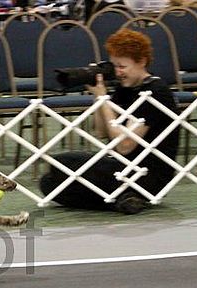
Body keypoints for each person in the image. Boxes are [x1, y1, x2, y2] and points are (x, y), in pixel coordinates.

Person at [39, 28, 180, 214]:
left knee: (62, 162)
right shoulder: (125, 88)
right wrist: (99, 98)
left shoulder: (155, 91)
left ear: (142, 62)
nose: (118, 72)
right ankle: (123, 200)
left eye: (122, 66)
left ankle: (128, 196)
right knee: (48, 183)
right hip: (122, 167)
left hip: (148, 173)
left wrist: (105, 99)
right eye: (115, 66)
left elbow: (125, 145)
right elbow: (102, 132)